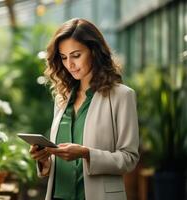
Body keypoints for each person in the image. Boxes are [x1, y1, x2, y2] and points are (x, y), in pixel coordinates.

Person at [29, 18, 139, 200]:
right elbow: (57, 163)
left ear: (94, 52)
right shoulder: (62, 98)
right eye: (64, 57)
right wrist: (43, 159)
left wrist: (86, 154)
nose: (69, 64)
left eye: (76, 55)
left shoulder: (122, 96)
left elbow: (129, 159)